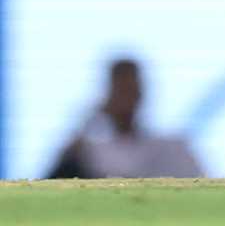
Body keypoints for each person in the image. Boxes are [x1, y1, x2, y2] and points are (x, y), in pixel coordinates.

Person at [47, 57, 202, 179]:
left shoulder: (171, 147)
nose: (126, 100)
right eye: (120, 90)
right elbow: (53, 178)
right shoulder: (90, 152)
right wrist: (90, 119)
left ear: (141, 93)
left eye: (130, 90)